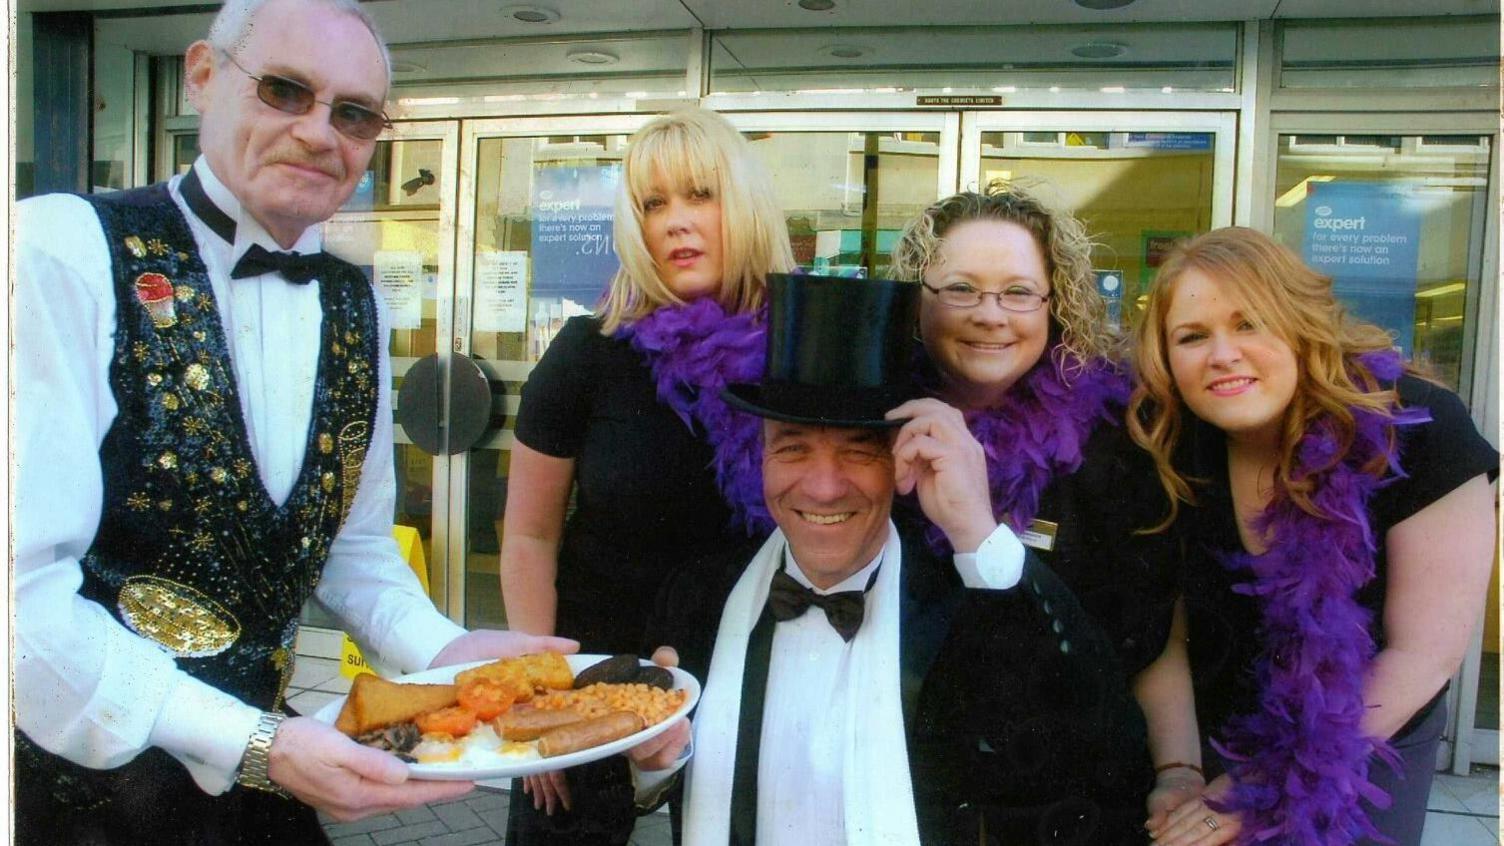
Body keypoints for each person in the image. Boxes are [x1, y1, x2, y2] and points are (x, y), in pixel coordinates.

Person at [13, 1, 576, 842]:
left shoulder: (356, 304)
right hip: (78, 801)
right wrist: (256, 744)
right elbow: (19, 603)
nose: (320, 133)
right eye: (284, 90)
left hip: (265, 793)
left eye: (353, 113)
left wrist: (443, 650)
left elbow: (354, 552)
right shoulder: (59, 251)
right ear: (203, 76)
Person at [627, 272, 1155, 845]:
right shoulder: (697, 599)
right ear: (761, 459)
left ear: (904, 461)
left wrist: (978, 530)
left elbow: (1100, 746)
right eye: (793, 448)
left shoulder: (956, 612)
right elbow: (624, 788)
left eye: (859, 451)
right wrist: (650, 765)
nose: (823, 488)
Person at [1127, 227, 1498, 846]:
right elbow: (1162, 629)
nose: (1222, 354)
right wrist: (1180, 771)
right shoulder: (1167, 445)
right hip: (1213, 734)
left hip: (1366, 738)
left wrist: (1268, 785)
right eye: (1192, 337)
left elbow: (1423, 655)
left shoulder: (1420, 431)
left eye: (1249, 324)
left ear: (1300, 325)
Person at [498, 107, 793, 842]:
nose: (674, 223)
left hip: (749, 682)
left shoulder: (799, 357)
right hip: (592, 682)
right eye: (652, 204)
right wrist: (539, 693)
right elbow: (529, 537)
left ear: (746, 205)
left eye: (699, 195)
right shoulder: (589, 354)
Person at [888, 183, 1193, 820]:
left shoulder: (1115, 445)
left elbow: (1148, 640)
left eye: (1019, 292)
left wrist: (1179, 771)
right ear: (918, 300)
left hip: (1067, 797)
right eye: (961, 289)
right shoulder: (870, 426)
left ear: (1056, 306)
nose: (990, 314)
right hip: (905, 790)